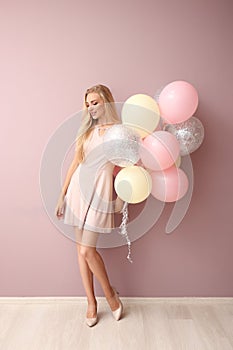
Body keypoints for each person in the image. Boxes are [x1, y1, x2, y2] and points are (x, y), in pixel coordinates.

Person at [55, 84, 124, 327]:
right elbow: (75, 162)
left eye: (95, 102)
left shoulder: (119, 130)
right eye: (87, 104)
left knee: (87, 250)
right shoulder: (85, 131)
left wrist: (121, 198)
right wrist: (62, 195)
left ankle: (110, 295)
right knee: (81, 252)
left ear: (106, 101)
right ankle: (91, 302)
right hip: (77, 190)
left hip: (101, 191)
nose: (91, 107)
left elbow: (128, 166)